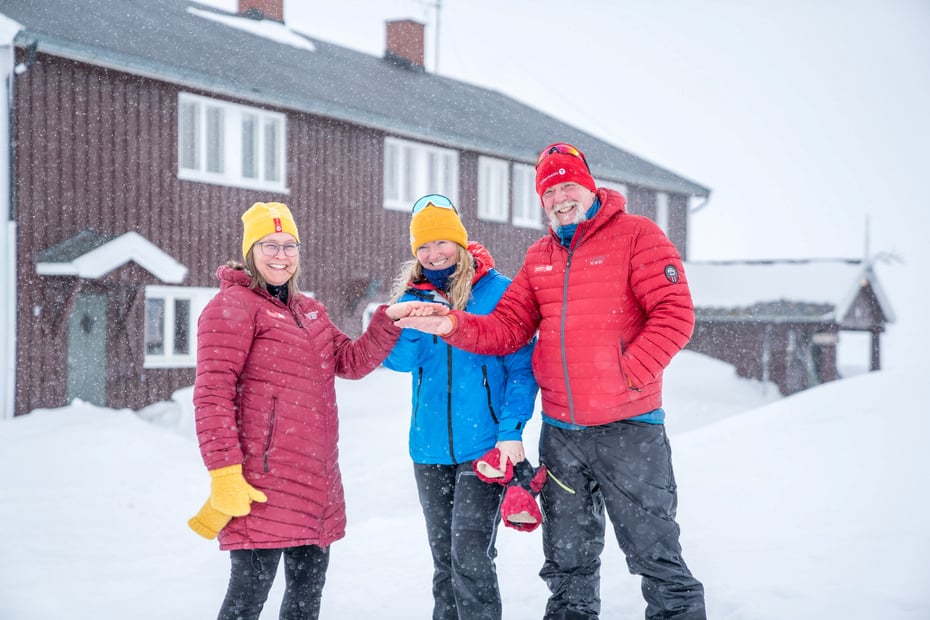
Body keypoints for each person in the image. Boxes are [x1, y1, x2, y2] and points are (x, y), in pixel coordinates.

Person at [397, 145, 707, 619]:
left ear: (588, 187)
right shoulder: (540, 257)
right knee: (568, 564)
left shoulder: (638, 235)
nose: (561, 198)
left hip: (630, 429)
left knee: (654, 554)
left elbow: (675, 315)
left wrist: (626, 377)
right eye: (550, 191)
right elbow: (507, 329)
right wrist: (451, 326)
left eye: (568, 186)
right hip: (563, 435)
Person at [187, 201, 430, 620]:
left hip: (316, 483)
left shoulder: (310, 310)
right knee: (247, 598)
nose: (281, 255)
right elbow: (212, 395)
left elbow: (350, 362)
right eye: (269, 245)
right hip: (259, 483)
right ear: (250, 251)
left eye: (289, 246)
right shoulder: (232, 307)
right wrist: (225, 472)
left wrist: (388, 320)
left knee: (305, 597)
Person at [382, 194, 540, 620]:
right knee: (444, 562)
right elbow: (398, 361)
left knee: (470, 555)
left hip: (483, 446)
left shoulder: (499, 292)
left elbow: (523, 370)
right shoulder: (412, 296)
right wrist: (413, 317)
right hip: (429, 448)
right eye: (423, 247)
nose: (433, 254)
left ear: (460, 242)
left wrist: (510, 431)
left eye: (441, 243)